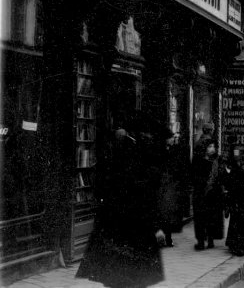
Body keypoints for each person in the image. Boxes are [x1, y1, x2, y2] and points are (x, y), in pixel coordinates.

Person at [76, 121, 164, 288]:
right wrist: (156, 226)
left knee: (113, 272)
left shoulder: (110, 167)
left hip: (115, 227)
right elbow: (147, 201)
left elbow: (101, 192)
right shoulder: (138, 171)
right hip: (133, 228)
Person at [191, 141, 225, 249]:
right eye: (210, 146)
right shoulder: (197, 160)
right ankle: (201, 241)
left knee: (212, 217)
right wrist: (203, 182)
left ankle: (211, 239)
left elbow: (221, 175)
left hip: (214, 193)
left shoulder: (217, 160)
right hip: (201, 192)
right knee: (200, 217)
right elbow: (193, 175)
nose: (212, 149)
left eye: (214, 146)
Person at [157, 130, 188, 247]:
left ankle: (168, 239)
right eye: (171, 138)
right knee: (165, 213)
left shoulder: (175, 150)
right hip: (164, 185)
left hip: (171, 185)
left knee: (168, 214)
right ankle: (165, 238)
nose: (173, 139)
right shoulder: (162, 151)